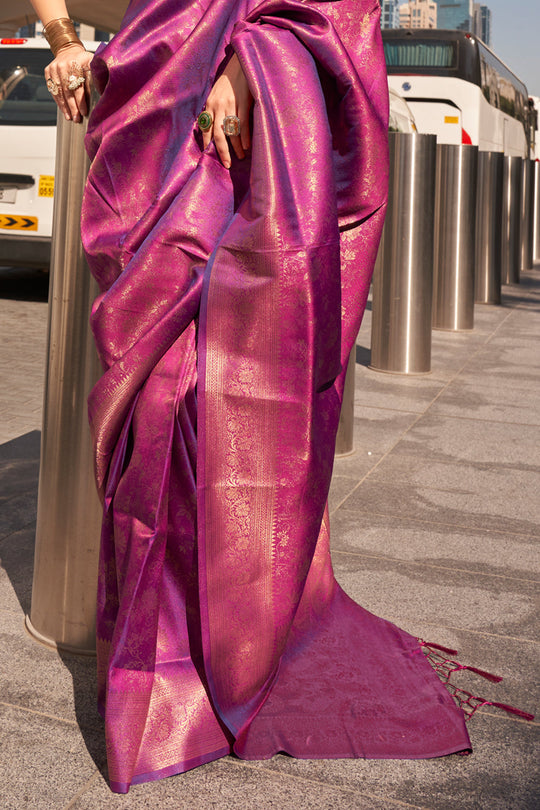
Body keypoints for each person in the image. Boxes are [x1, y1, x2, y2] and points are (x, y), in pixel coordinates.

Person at [30, 0, 530, 796]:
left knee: (207, 390)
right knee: (151, 391)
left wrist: (247, 59)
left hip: (233, 119)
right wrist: (60, 38)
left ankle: (211, 650)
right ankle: (158, 655)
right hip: (143, 106)